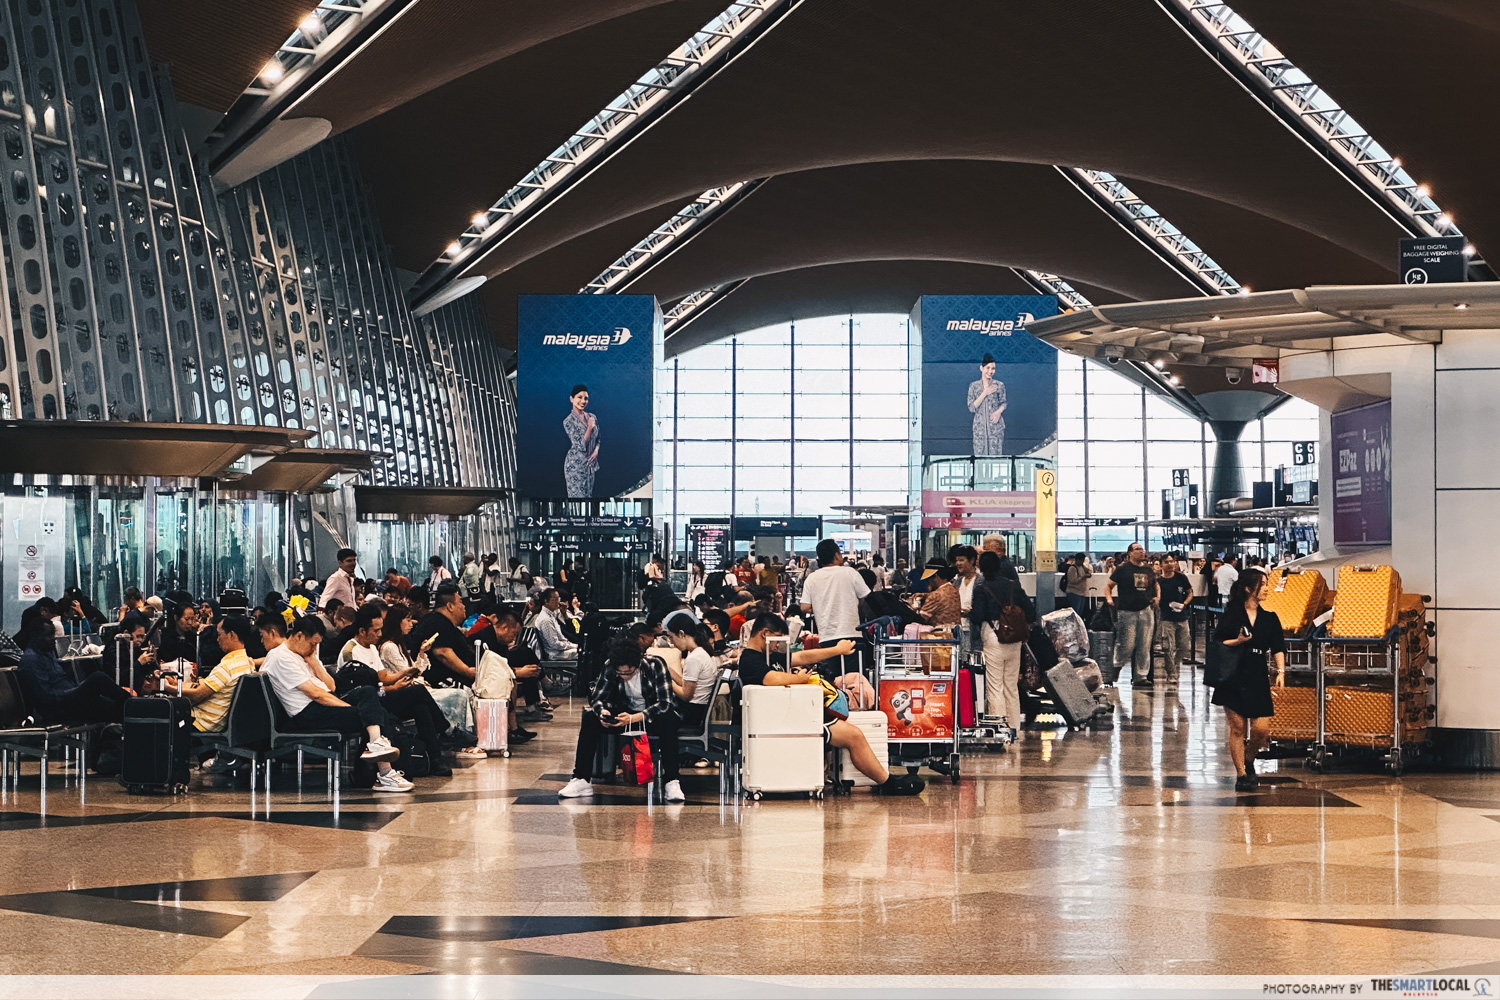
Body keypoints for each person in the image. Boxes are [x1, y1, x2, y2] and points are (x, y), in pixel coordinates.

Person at [738, 614, 923, 795]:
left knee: (854, 735)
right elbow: (771, 679)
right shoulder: (750, 659)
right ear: (765, 634)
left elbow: (802, 657)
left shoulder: (767, 657)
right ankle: (888, 783)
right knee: (854, 736)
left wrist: (836, 650)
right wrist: (800, 679)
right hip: (790, 721)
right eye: (777, 639)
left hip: (796, 715)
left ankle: (886, 781)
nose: (779, 645)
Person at [262, 616, 413, 792]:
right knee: (374, 715)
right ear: (299, 636)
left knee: (367, 691)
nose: (314, 648)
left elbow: (331, 686)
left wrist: (313, 663)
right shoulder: (281, 657)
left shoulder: (306, 653)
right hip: (308, 713)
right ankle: (385, 773)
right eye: (312, 643)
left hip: (322, 705)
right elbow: (317, 694)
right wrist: (350, 709)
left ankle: (376, 747)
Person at [558, 638, 684, 802]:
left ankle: (671, 781)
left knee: (668, 721)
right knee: (590, 717)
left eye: (629, 672)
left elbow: (664, 703)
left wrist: (635, 718)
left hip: (651, 716)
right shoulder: (610, 665)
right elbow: (597, 697)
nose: (624, 676)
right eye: (620, 673)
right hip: (625, 715)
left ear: (638, 663)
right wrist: (602, 712)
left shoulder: (655, 665)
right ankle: (581, 779)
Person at [335, 604, 453, 776]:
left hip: (380, 696)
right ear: (361, 631)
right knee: (418, 692)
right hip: (368, 705)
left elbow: (382, 677)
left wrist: (403, 674)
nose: (380, 635)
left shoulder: (372, 648)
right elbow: (361, 692)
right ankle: (445, 730)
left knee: (421, 707)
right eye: (375, 631)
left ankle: (435, 758)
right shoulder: (351, 652)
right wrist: (393, 688)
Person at [1212, 568, 1286, 791]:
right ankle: (1242, 775)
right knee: (1237, 728)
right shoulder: (1232, 615)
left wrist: (1281, 671)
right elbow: (1218, 643)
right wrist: (1238, 640)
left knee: (1262, 730)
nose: (1266, 588)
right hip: (1233, 673)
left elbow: (1278, 646)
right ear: (1248, 588)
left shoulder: (1269, 618)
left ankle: (1249, 758)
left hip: (1257, 673)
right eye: (1262, 584)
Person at [15, 604, 132, 727]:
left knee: (117, 709)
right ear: (37, 636)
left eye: (53, 635)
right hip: (57, 708)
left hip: (68, 700)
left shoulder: (47, 652)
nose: (53, 639)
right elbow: (45, 697)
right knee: (98, 678)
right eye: (48, 635)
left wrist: (76, 691)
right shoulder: (31, 660)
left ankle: (134, 713)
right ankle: (133, 702)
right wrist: (73, 692)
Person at [798, 539, 873, 701]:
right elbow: (865, 596)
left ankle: (837, 711)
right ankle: (857, 711)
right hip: (852, 634)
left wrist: (820, 607)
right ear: (837, 555)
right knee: (855, 681)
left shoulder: (812, 578)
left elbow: (804, 607)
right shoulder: (850, 573)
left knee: (833, 682)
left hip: (827, 637)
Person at [970, 551, 1036, 736]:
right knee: (1011, 685)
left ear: (981, 567)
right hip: (1014, 639)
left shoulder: (982, 589)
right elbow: (1030, 612)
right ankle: (1014, 728)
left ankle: (999, 731)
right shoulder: (1013, 586)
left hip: (993, 637)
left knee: (995, 686)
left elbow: (977, 616)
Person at [179, 614, 256, 734]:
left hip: (202, 722)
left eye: (220, 634)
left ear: (231, 635)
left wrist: (168, 687)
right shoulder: (246, 662)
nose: (217, 639)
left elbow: (197, 695)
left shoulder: (228, 666)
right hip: (216, 721)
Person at [1106, 542, 1158, 688]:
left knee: (1144, 644)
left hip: (1146, 610)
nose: (1141, 552)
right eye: (1137, 549)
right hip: (1127, 611)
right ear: (1129, 553)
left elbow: (1155, 585)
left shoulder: (1148, 569)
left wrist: (1157, 597)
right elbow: (1109, 586)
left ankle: (1141, 676)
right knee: (1126, 644)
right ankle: (1116, 666)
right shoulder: (1122, 569)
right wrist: (1109, 599)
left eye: (1142, 549)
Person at [663, 610, 720, 729]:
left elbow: (686, 695)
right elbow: (687, 685)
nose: (672, 642)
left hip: (692, 712)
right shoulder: (698, 652)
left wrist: (667, 682)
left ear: (681, 634)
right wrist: (668, 671)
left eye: (671, 637)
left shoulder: (694, 658)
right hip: (698, 708)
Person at [409, 585, 476, 686]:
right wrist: (467, 671)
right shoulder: (437, 623)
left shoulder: (441, 622)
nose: (464, 606)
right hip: (442, 681)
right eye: (460, 602)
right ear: (450, 606)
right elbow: (442, 653)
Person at [1156, 552, 1194, 688]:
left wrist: (1184, 603)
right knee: (1168, 647)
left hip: (1182, 617)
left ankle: (1175, 665)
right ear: (1161, 565)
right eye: (1167, 562)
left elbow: (1190, 592)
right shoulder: (1159, 582)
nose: (1170, 564)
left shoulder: (1181, 578)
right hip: (1166, 618)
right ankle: (1171, 673)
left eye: (1172, 561)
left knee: (1184, 647)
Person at [563, 383, 601, 498]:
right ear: (571, 399)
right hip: (575, 466)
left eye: (586, 398)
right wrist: (589, 427)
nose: (583, 401)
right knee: (577, 499)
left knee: (588, 497)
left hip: (590, 465)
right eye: (579, 397)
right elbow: (580, 446)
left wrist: (596, 451)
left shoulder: (592, 417)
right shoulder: (568, 421)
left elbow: (598, 438)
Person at [967, 353, 1006, 457]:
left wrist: (998, 412)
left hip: (996, 428)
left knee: (996, 458)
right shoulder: (974, 386)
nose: (990, 371)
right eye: (987, 368)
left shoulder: (999, 385)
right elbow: (971, 407)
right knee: (979, 459)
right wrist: (985, 393)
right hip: (979, 429)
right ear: (981, 368)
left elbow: (1004, 403)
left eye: (993, 368)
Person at [534, 589, 580, 660]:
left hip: (559, 650)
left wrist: (564, 613)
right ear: (546, 601)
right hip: (555, 653)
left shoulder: (552, 615)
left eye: (558, 599)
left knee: (584, 652)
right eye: (555, 599)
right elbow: (554, 644)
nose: (558, 602)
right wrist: (572, 645)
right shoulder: (546, 619)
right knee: (582, 654)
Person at [1064, 553, 1093, 618]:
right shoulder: (1072, 568)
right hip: (1074, 592)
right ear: (1077, 560)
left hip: (1081, 593)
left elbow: (1090, 571)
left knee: (1080, 613)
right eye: (1081, 560)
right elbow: (1073, 581)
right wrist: (1083, 576)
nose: (1081, 562)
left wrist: (1085, 568)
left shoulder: (1081, 567)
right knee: (1076, 612)